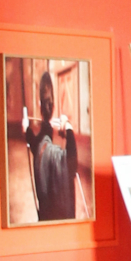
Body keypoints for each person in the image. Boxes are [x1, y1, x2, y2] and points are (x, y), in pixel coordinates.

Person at [23, 68, 77, 222]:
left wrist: (26, 129)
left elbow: (37, 145)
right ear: (54, 107)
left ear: (40, 105)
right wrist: (68, 126)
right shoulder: (47, 149)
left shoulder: (41, 148)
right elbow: (71, 160)